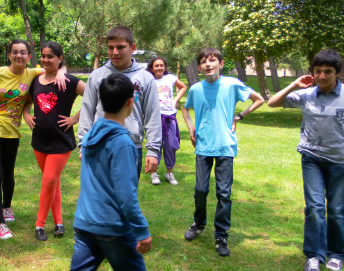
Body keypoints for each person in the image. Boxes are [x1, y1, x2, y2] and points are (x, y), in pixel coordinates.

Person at [20, 74, 175, 271]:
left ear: (101, 103)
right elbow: (126, 197)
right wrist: (142, 230)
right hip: (112, 227)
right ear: (132, 102)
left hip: (85, 222)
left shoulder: (91, 134)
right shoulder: (124, 143)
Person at [267, 49, 344, 271]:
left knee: (337, 210)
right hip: (311, 159)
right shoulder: (306, 94)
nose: (322, 76)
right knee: (315, 207)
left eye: (328, 71)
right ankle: (314, 257)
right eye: (317, 71)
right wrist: (294, 85)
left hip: (338, 161)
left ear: (338, 72)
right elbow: (272, 103)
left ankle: (336, 253)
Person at [0, 39, 66, 240]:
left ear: (28, 56)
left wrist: (61, 71)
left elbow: (55, 67)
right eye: (15, 52)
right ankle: (0, 223)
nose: (19, 55)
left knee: (8, 174)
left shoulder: (32, 73)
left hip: (12, 132)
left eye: (23, 52)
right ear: (9, 55)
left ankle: (6, 207)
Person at [181, 48, 265, 256]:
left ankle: (221, 235)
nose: (208, 64)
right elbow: (185, 108)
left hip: (225, 146)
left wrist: (239, 117)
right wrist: (191, 127)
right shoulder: (196, 89)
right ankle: (198, 224)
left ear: (220, 63)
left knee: (224, 193)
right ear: (199, 67)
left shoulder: (232, 84)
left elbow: (259, 99)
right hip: (203, 146)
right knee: (200, 190)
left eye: (212, 60)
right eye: (203, 62)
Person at [78, 26, 161, 181]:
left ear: (132, 48)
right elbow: (87, 110)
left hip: (131, 147)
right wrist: (83, 144)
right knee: (99, 198)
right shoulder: (97, 76)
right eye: (111, 48)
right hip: (99, 145)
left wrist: (153, 150)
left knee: (125, 196)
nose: (115, 52)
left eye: (121, 47)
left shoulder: (145, 78)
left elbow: (152, 114)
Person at [22, 41, 86, 241]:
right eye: (43, 56)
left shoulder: (69, 81)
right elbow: (27, 102)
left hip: (61, 141)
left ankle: (39, 224)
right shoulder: (35, 81)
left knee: (48, 181)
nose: (45, 59)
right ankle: (58, 222)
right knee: (53, 182)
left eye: (50, 56)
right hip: (39, 141)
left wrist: (75, 118)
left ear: (60, 58)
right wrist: (26, 115)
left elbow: (95, 98)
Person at [146, 57, 187, 186]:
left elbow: (183, 87)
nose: (159, 68)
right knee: (156, 145)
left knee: (170, 145)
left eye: (161, 65)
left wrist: (175, 101)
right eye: (156, 66)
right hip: (155, 118)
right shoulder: (148, 79)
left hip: (170, 117)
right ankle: (154, 173)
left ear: (165, 67)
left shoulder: (170, 78)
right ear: (152, 68)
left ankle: (169, 173)